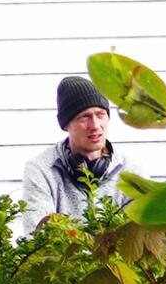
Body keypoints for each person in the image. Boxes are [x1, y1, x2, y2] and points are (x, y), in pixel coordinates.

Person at [20, 74, 129, 224]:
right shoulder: (40, 169)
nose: (95, 125)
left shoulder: (131, 171)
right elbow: (37, 238)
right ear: (66, 124)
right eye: (84, 117)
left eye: (100, 114)